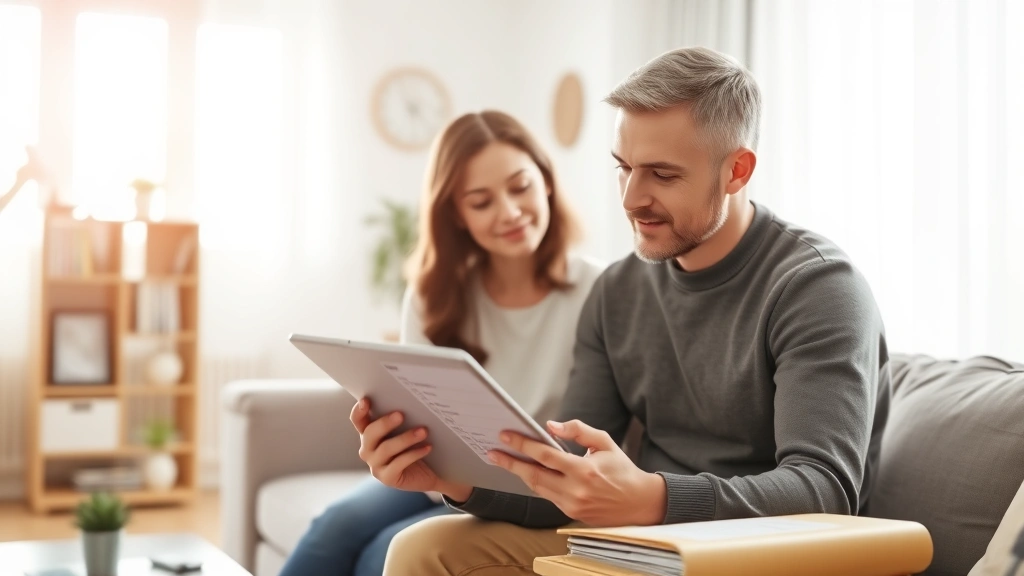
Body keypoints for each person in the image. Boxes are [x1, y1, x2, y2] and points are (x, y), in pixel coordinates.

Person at [362, 47, 891, 576]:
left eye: (661, 174)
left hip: (764, 555)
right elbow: (563, 477)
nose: (631, 197)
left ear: (736, 170)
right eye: (624, 168)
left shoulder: (816, 288)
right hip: (645, 544)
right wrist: (448, 478)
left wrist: (656, 500)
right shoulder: (618, 291)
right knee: (421, 548)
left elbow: (825, 487)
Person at [278, 110, 605, 576]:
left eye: (520, 186)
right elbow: (421, 421)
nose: (510, 212)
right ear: (456, 214)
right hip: (442, 474)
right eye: (481, 201)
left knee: (381, 554)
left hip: (522, 490)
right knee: (334, 527)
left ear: (546, 181)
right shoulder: (434, 296)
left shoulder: (600, 290)